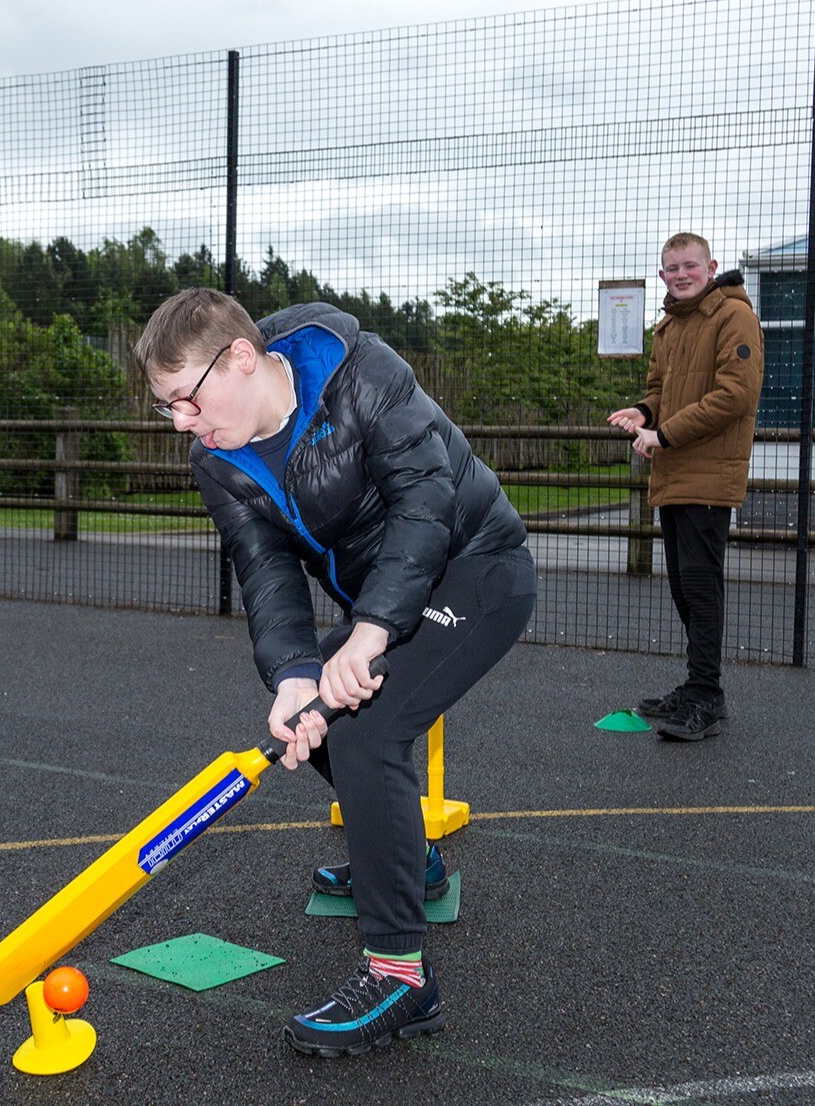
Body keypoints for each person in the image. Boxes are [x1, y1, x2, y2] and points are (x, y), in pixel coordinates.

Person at [135, 288, 535, 1057]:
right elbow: (266, 572)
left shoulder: (363, 374)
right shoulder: (217, 461)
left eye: (186, 399)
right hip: (386, 594)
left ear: (241, 358)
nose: (182, 423)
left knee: (365, 736)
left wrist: (371, 633)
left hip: (476, 568)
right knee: (310, 723)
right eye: (167, 409)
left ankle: (400, 980)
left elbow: (426, 503)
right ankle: (405, 858)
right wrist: (292, 673)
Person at [606, 233, 763, 741]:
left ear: (711, 266)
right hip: (674, 472)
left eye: (689, 266)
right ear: (661, 275)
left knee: (700, 585)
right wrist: (644, 412)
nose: (680, 274)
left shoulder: (734, 316)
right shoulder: (670, 326)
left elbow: (735, 395)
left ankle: (706, 695)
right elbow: (660, 389)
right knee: (683, 587)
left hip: (709, 473)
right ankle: (698, 685)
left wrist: (664, 433)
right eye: (671, 268)